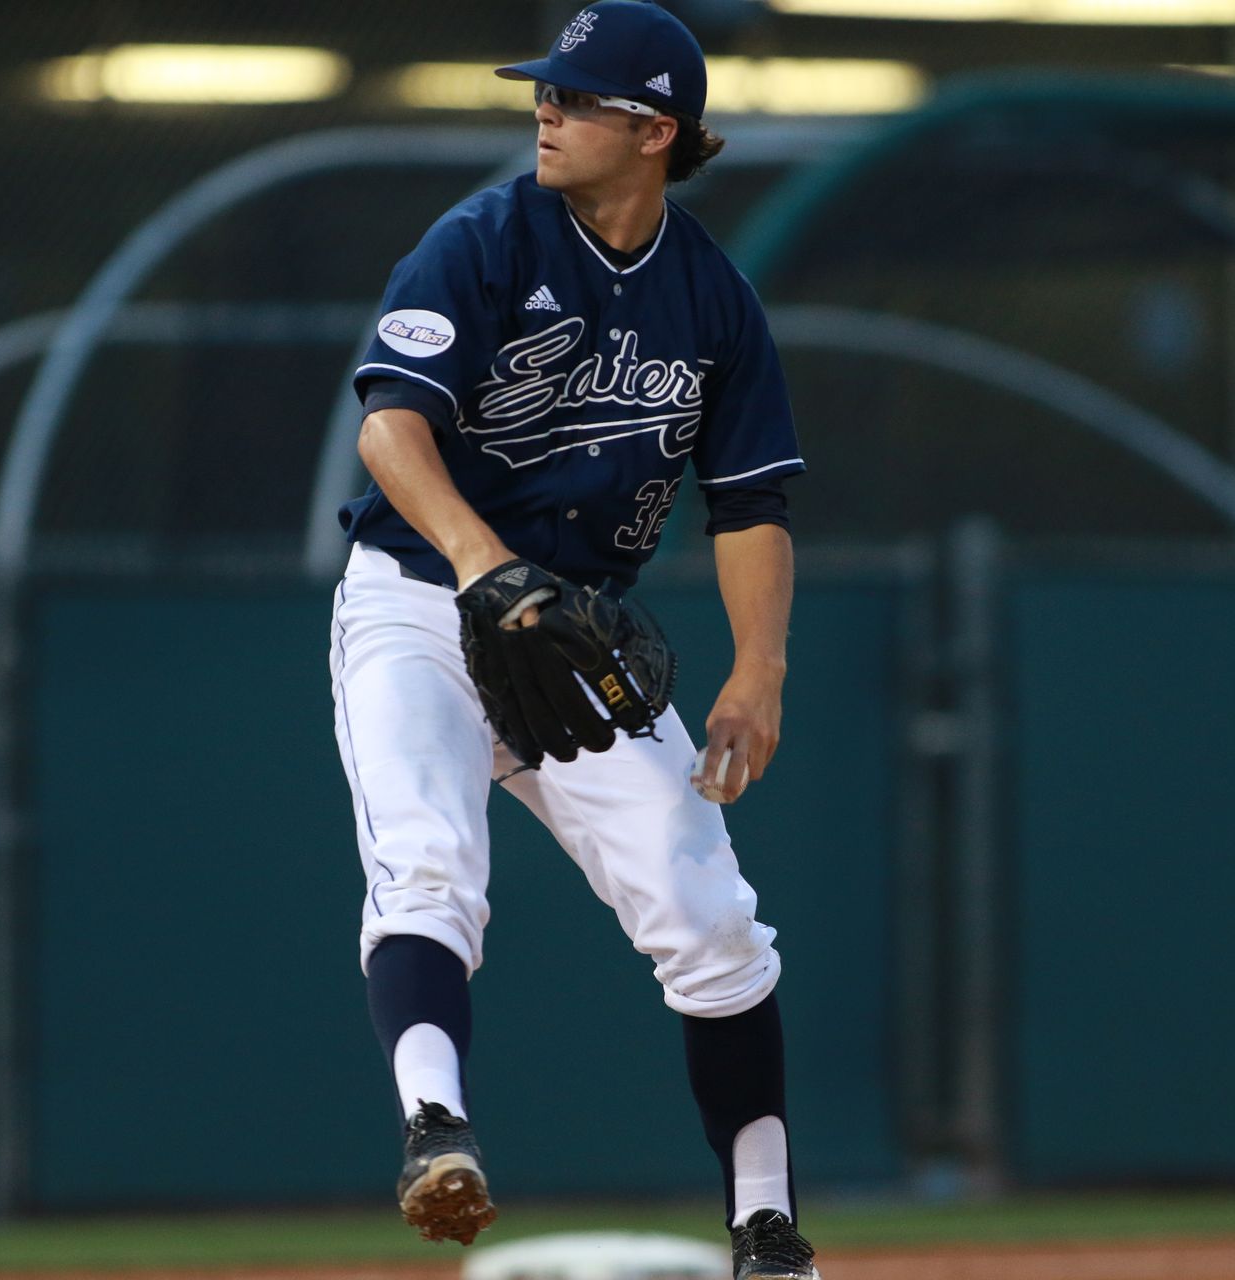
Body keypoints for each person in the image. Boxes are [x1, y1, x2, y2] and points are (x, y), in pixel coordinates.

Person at [325, 5, 818, 1278]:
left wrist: (758, 667)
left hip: (573, 629)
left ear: (653, 132)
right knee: (428, 861)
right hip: (425, 596)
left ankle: (766, 1225)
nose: (543, 109)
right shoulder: (485, 238)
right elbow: (390, 426)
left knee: (711, 913)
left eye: (575, 97)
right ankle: (436, 1127)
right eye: (544, 90)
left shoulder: (711, 297)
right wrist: (482, 565)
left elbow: (752, 498)